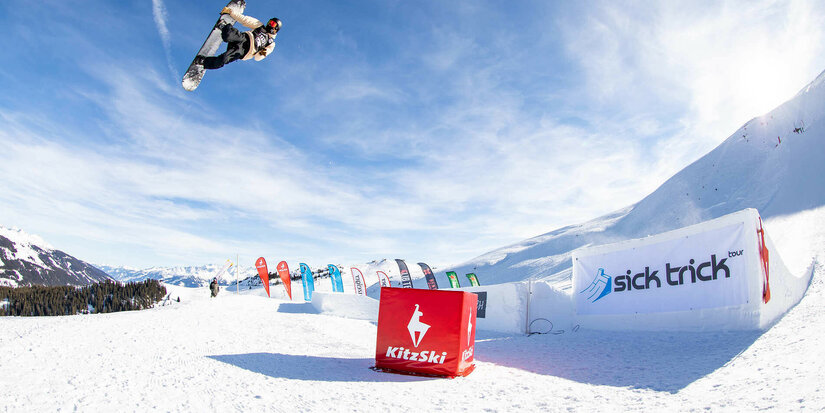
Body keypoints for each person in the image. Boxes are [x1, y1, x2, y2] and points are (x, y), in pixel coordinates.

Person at [196, 7, 281, 70]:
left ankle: (203, 61)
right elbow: (245, 20)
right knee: (228, 35)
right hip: (244, 38)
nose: (269, 24)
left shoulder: (271, 43)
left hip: (243, 52)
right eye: (270, 22)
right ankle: (223, 26)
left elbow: (257, 58)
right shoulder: (260, 26)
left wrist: (262, 53)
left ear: (276, 29)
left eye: (273, 24)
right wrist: (230, 12)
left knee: (223, 59)